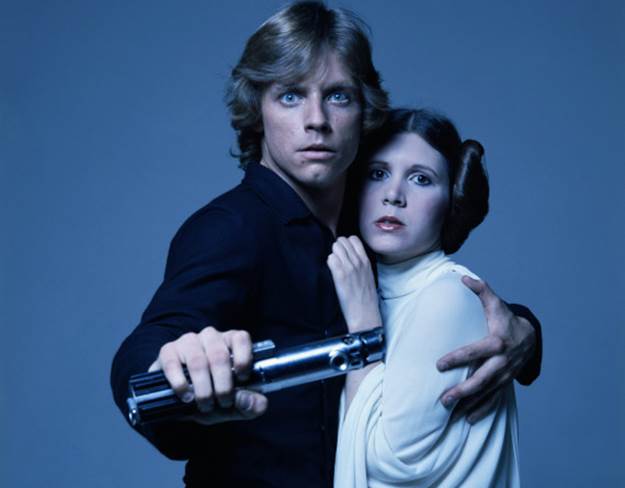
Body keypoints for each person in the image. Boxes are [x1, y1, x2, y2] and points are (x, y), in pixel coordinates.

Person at [110, 2, 541, 487]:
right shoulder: (230, 227)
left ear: (364, 112)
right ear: (258, 110)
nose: (316, 120)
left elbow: (423, 297)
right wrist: (172, 366)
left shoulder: (372, 219)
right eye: (291, 96)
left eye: (337, 96)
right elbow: (153, 341)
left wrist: (523, 329)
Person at [329, 108, 519, 486]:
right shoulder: (374, 286)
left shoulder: (446, 297)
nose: (393, 196)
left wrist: (364, 324)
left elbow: (385, 461)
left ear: (452, 198)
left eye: (421, 178)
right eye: (378, 173)